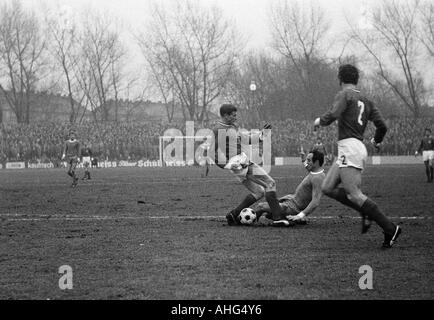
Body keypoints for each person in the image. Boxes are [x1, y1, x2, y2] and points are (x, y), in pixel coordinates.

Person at [313, 64, 401, 248]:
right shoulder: (367, 101)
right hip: (354, 147)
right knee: (327, 187)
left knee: (354, 195)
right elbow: (382, 126)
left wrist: (319, 121)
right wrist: (377, 141)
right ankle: (366, 212)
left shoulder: (345, 94)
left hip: (350, 147)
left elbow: (335, 113)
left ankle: (390, 228)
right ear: (356, 79)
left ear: (340, 79)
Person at [210, 104, 286, 225]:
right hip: (241, 164)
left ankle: (233, 214)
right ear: (225, 115)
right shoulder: (218, 129)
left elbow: (245, 139)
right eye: (233, 115)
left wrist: (261, 135)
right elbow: (211, 152)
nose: (236, 117)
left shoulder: (233, 126)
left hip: (240, 165)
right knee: (270, 183)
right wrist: (228, 165)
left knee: (259, 192)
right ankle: (278, 218)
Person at [255, 150, 326, 227]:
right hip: (290, 200)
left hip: (292, 208)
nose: (307, 162)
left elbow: (315, 202)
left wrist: (299, 215)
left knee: (261, 206)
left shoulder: (318, 178)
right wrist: (303, 160)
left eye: (308, 160)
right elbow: (307, 167)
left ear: (317, 162)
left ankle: (246, 221)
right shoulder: (314, 171)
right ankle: (285, 218)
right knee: (268, 213)